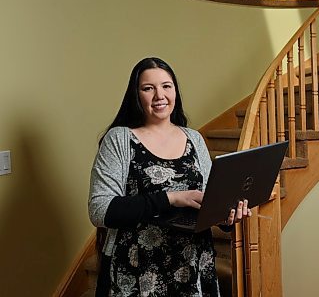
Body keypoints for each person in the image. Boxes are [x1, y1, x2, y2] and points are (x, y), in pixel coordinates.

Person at [88, 57, 251, 296]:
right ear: (136, 95)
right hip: (135, 268)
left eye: (166, 86)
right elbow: (99, 210)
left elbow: (208, 200)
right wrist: (172, 198)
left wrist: (226, 217)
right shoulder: (120, 139)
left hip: (192, 264)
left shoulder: (194, 139)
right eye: (148, 88)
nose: (159, 96)